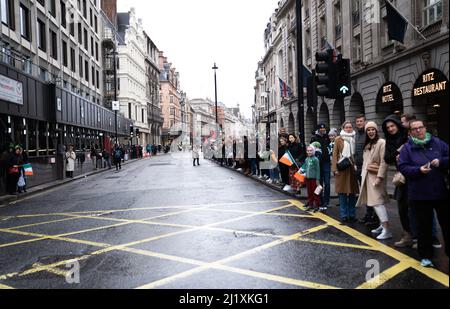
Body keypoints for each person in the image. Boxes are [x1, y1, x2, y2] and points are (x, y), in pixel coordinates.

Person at [398, 119, 448, 268]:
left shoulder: (438, 143)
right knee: (423, 227)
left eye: (421, 127)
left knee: (447, 224)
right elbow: (403, 167)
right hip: (420, 195)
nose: (418, 130)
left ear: (425, 128)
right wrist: (418, 170)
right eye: (415, 129)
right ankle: (426, 256)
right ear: (410, 132)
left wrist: (441, 161)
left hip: (440, 192)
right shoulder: (407, 148)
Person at [356, 122, 391, 240]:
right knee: (375, 203)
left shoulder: (382, 143)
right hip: (367, 177)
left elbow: (384, 162)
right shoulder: (368, 144)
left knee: (378, 203)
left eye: (373, 129)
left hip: (376, 178)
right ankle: (382, 225)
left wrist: (379, 178)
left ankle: (387, 230)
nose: (371, 132)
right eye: (368, 130)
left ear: (376, 131)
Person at [382, 115, 413, 247]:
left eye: (392, 126)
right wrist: (398, 150)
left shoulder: (407, 135)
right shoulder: (389, 140)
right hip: (401, 177)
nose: (390, 129)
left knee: (417, 206)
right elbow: (387, 159)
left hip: (415, 173)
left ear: (397, 125)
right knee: (401, 206)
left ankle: (421, 236)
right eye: (388, 127)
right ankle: (407, 235)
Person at [332, 121, 359, 223]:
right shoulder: (339, 139)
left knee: (352, 193)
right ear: (343, 128)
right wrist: (335, 169)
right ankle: (343, 214)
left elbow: (356, 153)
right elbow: (335, 155)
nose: (349, 129)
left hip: (352, 168)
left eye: (350, 127)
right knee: (342, 193)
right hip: (342, 168)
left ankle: (352, 214)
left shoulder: (354, 138)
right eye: (346, 127)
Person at [311, 124, 331, 209]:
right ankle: (321, 201)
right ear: (318, 129)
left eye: (324, 128)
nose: (322, 129)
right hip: (318, 163)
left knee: (327, 183)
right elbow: (311, 150)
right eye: (321, 128)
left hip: (326, 162)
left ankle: (326, 201)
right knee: (320, 183)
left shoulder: (327, 137)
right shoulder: (314, 138)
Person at [304, 145, 321, 212]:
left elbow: (318, 170)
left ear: (313, 151)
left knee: (315, 193)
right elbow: (305, 168)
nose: (309, 152)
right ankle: (310, 205)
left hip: (314, 179)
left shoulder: (315, 159)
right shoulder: (306, 159)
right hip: (308, 178)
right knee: (309, 192)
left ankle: (317, 205)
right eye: (308, 151)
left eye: (310, 151)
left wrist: (317, 179)